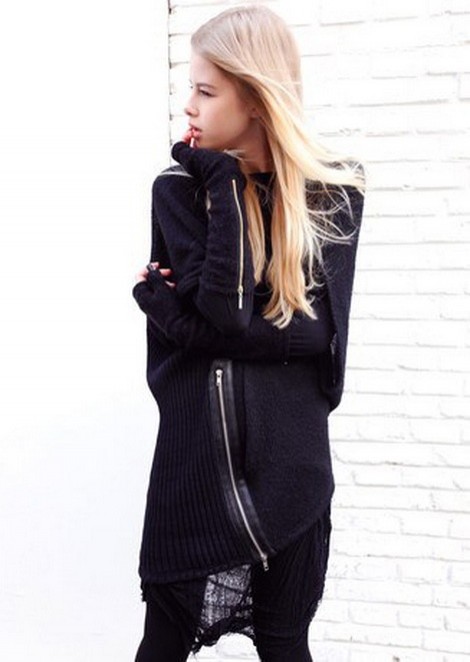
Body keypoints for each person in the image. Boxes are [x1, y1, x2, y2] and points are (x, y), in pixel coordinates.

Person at [132, 4, 366, 661]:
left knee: (285, 643)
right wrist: (223, 180)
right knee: (163, 641)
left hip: (291, 468)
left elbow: (320, 341)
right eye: (191, 89)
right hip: (193, 467)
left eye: (206, 91)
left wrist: (174, 317)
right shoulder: (179, 191)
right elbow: (231, 312)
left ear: (258, 99)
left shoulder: (332, 193)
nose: (189, 107)